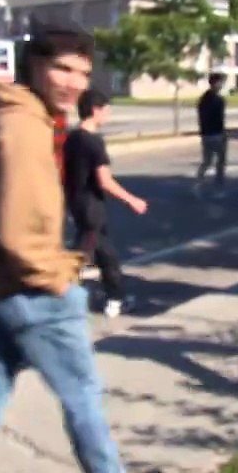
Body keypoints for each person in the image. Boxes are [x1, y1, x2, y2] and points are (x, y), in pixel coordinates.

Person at [0, 23, 162, 473]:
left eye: (82, 72)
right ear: (34, 66)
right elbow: (21, 230)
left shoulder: (6, 117)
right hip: (31, 290)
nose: (73, 82)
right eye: (62, 68)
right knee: (81, 392)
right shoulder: (24, 128)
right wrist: (59, 281)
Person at [64, 88, 149, 318]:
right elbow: (104, 180)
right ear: (95, 110)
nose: (108, 115)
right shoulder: (93, 143)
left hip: (76, 202)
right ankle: (55, 295)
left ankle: (115, 298)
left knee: (104, 254)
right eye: (106, 110)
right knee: (83, 255)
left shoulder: (72, 138)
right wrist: (132, 200)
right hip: (91, 205)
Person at [194, 73, 227, 195]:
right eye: (220, 82)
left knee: (207, 161)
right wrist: (223, 133)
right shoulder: (219, 100)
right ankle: (219, 188)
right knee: (220, 161)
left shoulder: (203, 99)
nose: (221, 85)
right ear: (216, 83)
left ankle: (198, 183)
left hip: (205, 134)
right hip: (216, 134)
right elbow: (220, 119)